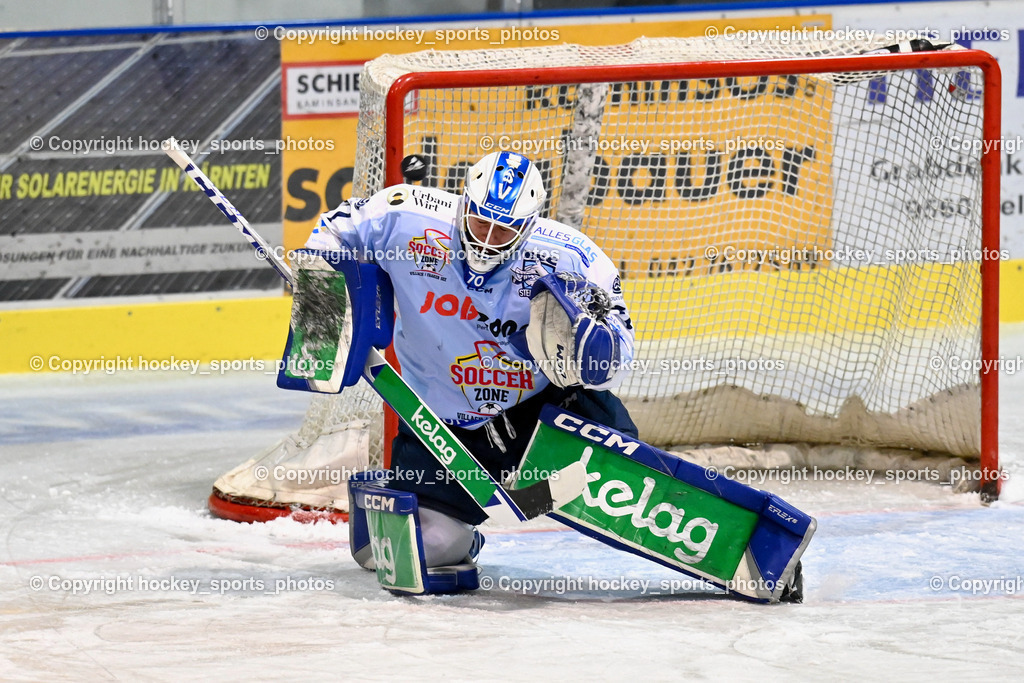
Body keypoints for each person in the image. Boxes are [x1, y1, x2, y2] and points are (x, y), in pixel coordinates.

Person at [306, 151, 637, 585]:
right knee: (402, 555)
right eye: (480, 222)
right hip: (439, 426)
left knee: (630, 479)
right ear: (463, 206)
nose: (487, 240)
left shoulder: (572, 257)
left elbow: (617, 352)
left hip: (538, 410)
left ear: (529, 227)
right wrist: (323, 296)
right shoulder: (405, 218)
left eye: (503, 231)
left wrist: (594, 346)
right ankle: (462, 532)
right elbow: (330, 234)